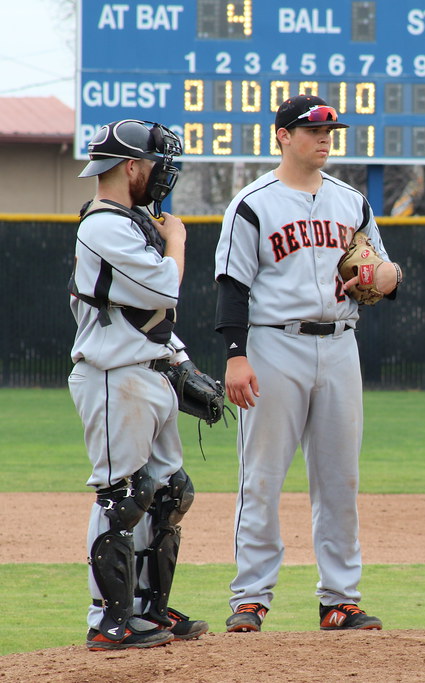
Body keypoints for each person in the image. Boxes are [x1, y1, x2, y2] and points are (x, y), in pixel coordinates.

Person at [214, 95, 400, 633]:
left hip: (341, 344)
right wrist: (235, 355)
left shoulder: (351, 201)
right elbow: (232, 286)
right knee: (262, 476)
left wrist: (387, 278)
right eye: (312, 130)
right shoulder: (253, 202)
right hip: (275, 345)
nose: (324, 138)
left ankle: (340, 599)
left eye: (329, 131)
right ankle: (250, 597)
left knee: (340, 477)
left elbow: (385, 271)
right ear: (282, 135)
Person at [69, 119, 209, 650]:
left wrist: (179, 360)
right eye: (154, 164)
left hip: (147, 370)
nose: (161, 175)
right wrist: (177, 240)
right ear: (131, 166)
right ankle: (109, 618)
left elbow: (152, 320)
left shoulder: (130, 222)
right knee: (122, 497)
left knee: (170, 492)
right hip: (113, 376)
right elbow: (162, 290)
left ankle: (149, 609)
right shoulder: (103, 225)